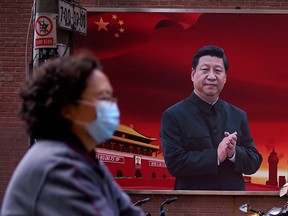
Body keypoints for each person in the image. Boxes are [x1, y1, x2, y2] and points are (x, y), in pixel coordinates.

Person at [1, 53, 145, 216]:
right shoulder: (60, 167)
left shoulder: (86, 160)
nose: (111, 106)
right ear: (68, 109)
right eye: (103, 97)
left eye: (111, 97)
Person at [160, 45, 263, 191]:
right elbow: (175, 163)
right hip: (191, 207)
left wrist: (233, 153)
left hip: (234, 207)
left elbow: (254, 161)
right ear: (193, 74)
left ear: (225, 78)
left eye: (218, 71)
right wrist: (216, 155)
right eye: (205, 69)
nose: (212, 76)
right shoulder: (173, 115)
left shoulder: (238, 115)